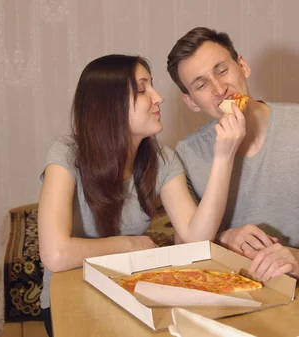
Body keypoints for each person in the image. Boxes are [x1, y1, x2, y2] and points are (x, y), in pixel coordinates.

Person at [37, 54, 246, 336]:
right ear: (109, 104)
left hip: (132, 295)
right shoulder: (66, 154)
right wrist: (130, 244)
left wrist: (224, 158)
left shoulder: (162, 159)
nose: (158, 97)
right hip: (69, 297)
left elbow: (197, 236)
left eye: (153, 86)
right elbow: (56, 254)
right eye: (142, 89)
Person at [167, 27, 299, 284]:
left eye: (222, 70)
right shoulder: (187, 153)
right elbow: (183, 240)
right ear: (192, 102)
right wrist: (223, 236)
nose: (220, 89)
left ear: (243, 67)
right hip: (229, 284)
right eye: (201, 84)